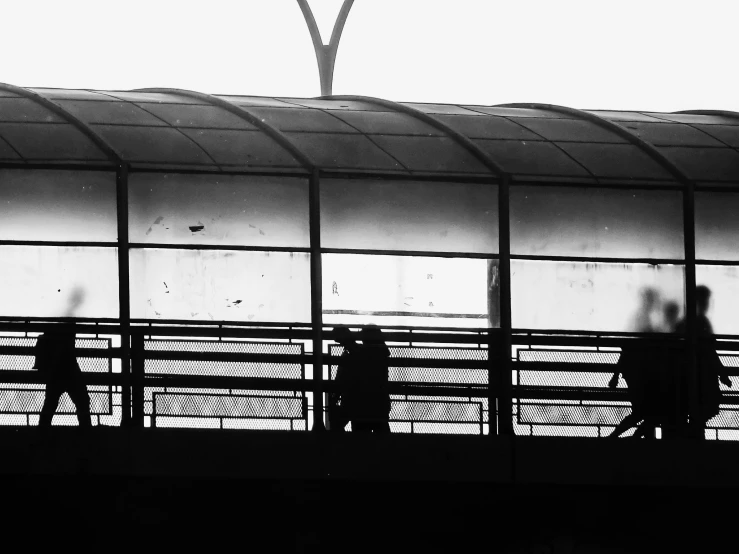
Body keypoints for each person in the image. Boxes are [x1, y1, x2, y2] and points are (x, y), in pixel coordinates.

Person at [674, 286, 731, 439]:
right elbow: (710, 350)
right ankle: (696, 441)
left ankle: (689, 443)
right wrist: (722, 372)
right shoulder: (701, 322)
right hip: (703, 375)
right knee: (701, 411)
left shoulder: (684, 322)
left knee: (692, 411)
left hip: (686, 374)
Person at [606, 288, 660, 438]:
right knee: (649, 412)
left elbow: (625, 350)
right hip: (642, 374)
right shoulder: (644, 319)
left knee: (643, 411)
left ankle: (618, 437)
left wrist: (616, 375)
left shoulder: (638, 318)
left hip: (634, 373)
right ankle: (628, 437)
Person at [35, 288, 91, 428]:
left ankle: (42, 433)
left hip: (56, 369)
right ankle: (87, 436)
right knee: (82, 401)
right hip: (69, 368)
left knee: (51, 403)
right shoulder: (69, 316)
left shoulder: (57, 315)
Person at [351, 325, 391, 434]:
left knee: (361, 437)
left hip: (362, 403)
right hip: (380, 400)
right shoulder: (382, 352)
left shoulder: (361, 352)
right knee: (381, 432)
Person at [328, 326, 360, 432]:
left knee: (337, 424)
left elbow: (341, 376)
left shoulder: (348, 352)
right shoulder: (356, 350)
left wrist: (336, 395)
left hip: (350, 397)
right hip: (357, 397)